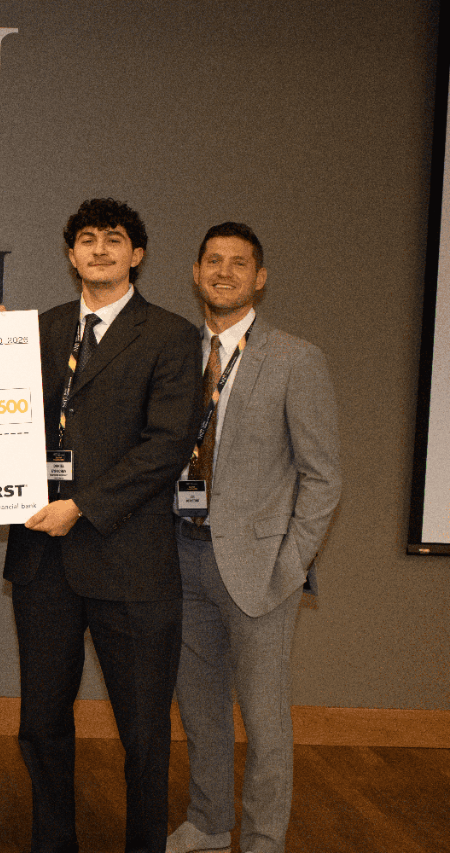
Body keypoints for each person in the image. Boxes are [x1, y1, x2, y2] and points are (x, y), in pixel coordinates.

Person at [3, 198, 200, 853]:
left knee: (142, 731)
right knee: (40, 721)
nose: (99, 250)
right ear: (71, 254)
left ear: (136, 254)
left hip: (128, 561)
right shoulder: (39, 329)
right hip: (41, 561)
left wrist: (81, 506)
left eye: (113, 240)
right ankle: (52, 840)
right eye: (86, 240)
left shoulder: (171, 336)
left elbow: (166, 445)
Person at [165, 223, 341, 853]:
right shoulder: (174, 354)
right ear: (195, 271)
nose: (224, 272)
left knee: (266, 723)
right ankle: (210, 824)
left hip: (259, 569)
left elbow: (323, 477)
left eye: (239, 264)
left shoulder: (296, 358)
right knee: (201, 711)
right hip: (179, 557)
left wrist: (290, 563)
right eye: (213, 260)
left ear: (259, 278)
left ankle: (265, 839)